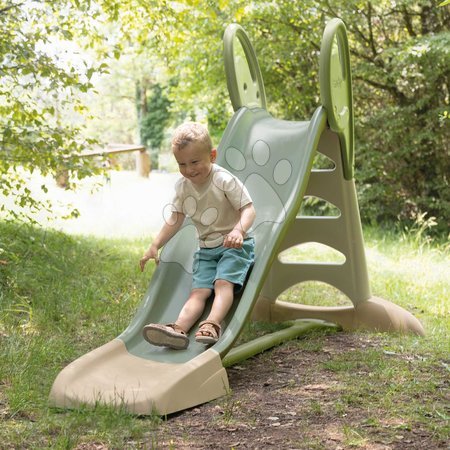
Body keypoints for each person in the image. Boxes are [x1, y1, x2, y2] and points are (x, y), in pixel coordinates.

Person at [139, 122, 256, 350]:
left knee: (223, 284)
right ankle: (178, 329)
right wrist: (155, 244)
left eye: (194, 162)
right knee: (198, 292)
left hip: (234, 246)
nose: (189, 169)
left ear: (212, 156)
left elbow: (249, 209)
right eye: (182, 164)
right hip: (206, 250)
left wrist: (237, 231)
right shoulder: (183, 188)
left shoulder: (223, 180)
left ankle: (212, 324)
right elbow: (175, 219)